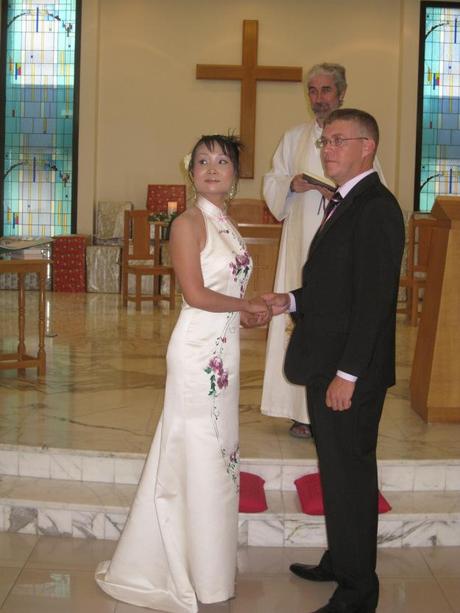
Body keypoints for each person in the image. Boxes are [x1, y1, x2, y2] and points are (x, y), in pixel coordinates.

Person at [95, 134, 270, 613]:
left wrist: (255, 308)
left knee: (217, 455)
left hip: (224, 348)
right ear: (190, 171)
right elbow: (195, 293)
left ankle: (210, 567)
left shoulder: (226, 223)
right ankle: (186, 569)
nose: (212, 168)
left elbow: (230, 286)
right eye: (202, 161)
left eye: (222, 161)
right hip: (197, 350)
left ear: (235, 174)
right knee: (198, 451)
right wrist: (246, 306)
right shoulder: (187, 223)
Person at [263, 109, 405, 613]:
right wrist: (293, 301)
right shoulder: (346, 200)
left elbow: (373, 301)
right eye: (325, 141)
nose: (326, 149)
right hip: (329, 360)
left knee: (351, 475)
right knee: (337, 470)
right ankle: (340, 560)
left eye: (338, 141)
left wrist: (349, 375)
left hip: (349, 371)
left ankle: (358, 590)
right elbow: (336, 285)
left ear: (368, 147)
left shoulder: (376, 208)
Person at [261, 63, 385, 439]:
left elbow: (373, 189)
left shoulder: (357, 136)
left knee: (336, 319)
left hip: (343, 251)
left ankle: (336, 398)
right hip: (302, 243)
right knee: (302, 318)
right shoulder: (295, 137)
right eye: (313, 91)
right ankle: (300, 410)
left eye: (326, 90)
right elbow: (272, 180)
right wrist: (292, 184)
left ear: (341, 93)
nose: (319, 98)